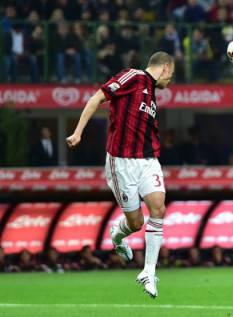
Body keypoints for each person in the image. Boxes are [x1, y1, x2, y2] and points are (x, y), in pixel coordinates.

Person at [66, 52, 175, 298]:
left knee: (158, 208)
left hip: (148, 161)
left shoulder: (152, 94)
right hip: (121, 163)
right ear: (165, 67)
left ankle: (148, 271)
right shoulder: (133, 77)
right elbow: (97, 97)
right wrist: (78, 132)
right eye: (172, 74)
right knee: (135, 223)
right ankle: (118, 233)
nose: (171, 81)